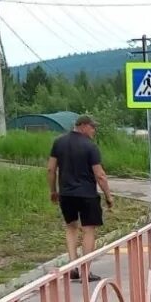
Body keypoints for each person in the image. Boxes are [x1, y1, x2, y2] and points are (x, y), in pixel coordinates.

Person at [48, 115, 115, 282]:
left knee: (71, 228)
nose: (94, 130)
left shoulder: (59, 143)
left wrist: (53, 191)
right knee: (88, 230)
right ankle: (85, 270)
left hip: (66, 194)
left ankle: (72, 266)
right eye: (92, 127)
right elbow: (100, 175)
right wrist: (108, 196)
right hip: (87, 195)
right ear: (83, 126)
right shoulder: (90, 147)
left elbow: (51, 169)